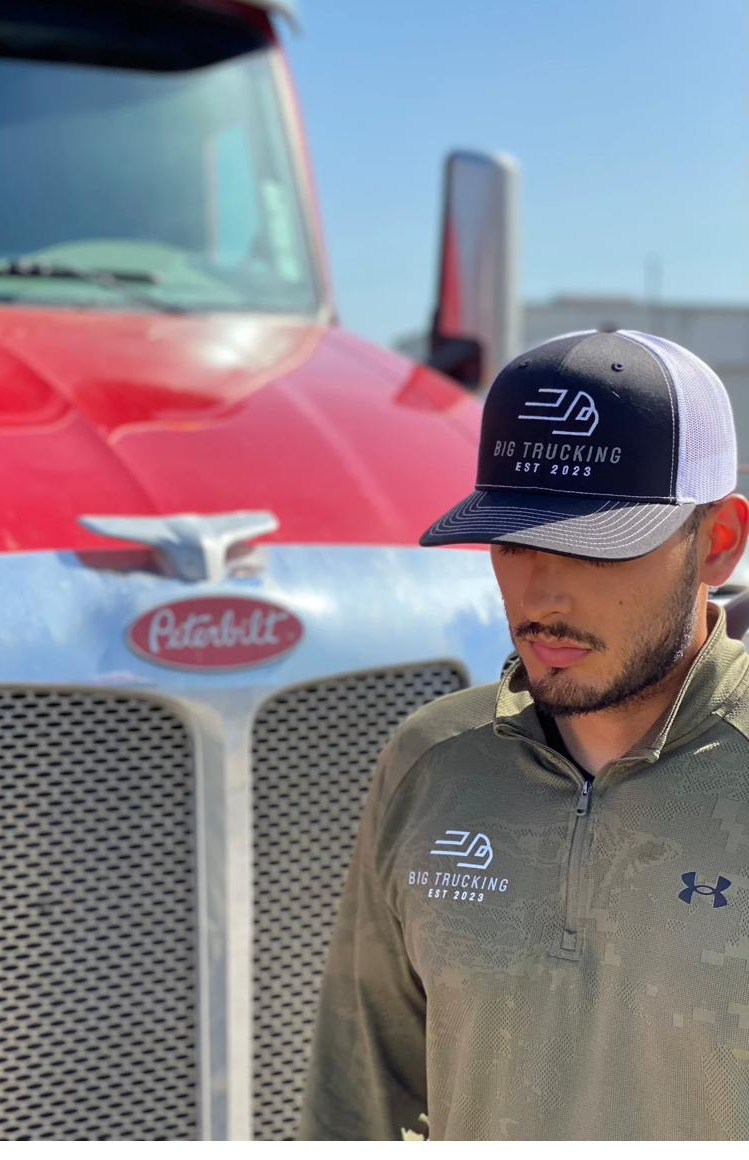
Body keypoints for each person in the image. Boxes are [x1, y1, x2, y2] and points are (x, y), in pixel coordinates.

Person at [299, 328, 749, 1141]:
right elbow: (361, 1105)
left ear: (717, 542)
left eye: (596, 547)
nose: (541, 595)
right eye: (513, 540)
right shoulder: (430, 762)